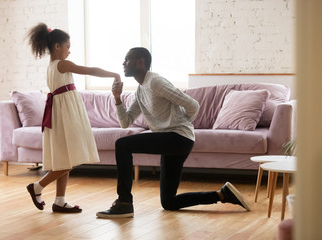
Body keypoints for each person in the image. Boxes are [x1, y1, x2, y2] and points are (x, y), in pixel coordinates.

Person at [96, 47, 250, 218]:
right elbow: (125, 122)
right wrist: (117, 98)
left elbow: (193, 105)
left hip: (177, 138)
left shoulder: (156, 82)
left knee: (122, 145)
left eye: (127, 59)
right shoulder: (141, 90)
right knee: (169, 202)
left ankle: (124, 202)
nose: (123, 63)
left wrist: (182, 124)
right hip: (171, 140)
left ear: (140, 62)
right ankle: (222, 195)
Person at [26, 23, 120, 213]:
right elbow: (91, 71)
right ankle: (38, 186)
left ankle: (59, 201)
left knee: (66, 156)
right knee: (73, 157)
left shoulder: (51, 66)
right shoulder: (62, 64)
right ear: (57, 46)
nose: (69, 51)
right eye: (67, 46)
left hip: (61, 111)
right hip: (66, 113)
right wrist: (114, 74)